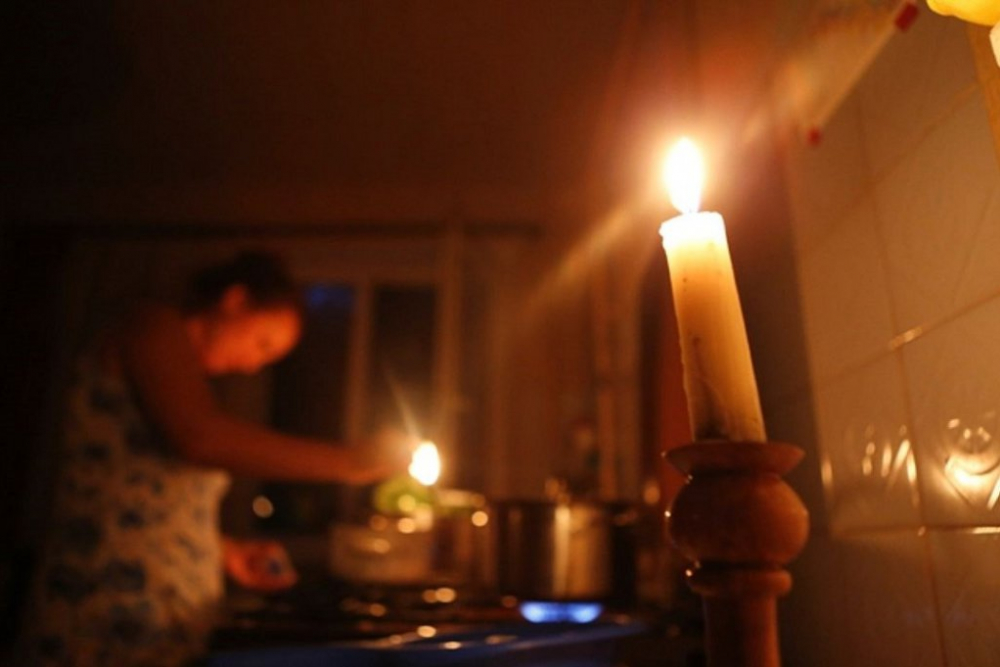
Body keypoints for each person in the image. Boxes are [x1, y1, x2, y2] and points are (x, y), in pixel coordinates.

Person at [20, 250, 414, 666]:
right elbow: (198, 439)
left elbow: (144, 499)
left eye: (267, 359)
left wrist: (222, 551)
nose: (252, 366)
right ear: (235, 301)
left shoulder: (188, 384)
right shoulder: (151, 325)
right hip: (100, 608)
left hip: (157, 625)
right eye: (262, 343)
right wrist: (351, 462)